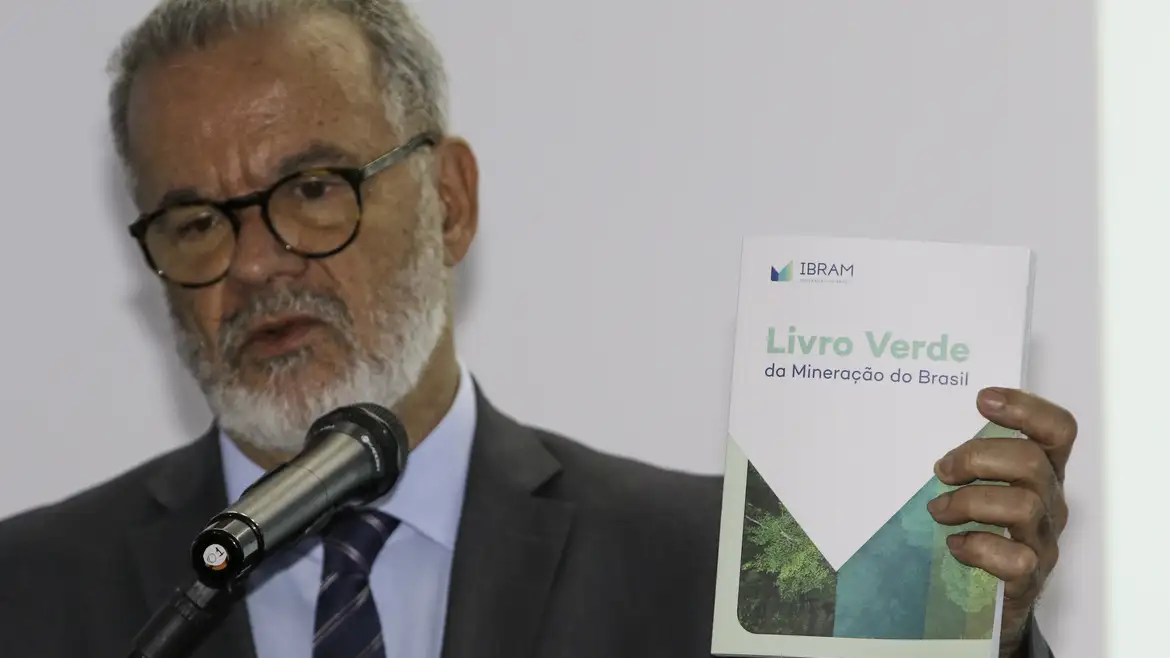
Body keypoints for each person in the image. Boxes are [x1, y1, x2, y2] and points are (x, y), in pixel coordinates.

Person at [0, 1, 1078, 657]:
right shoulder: (30, 591)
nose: (253, 261)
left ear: (450, 203)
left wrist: (969, 633)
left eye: (314, 190)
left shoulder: (718, 570)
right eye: (195, 221)